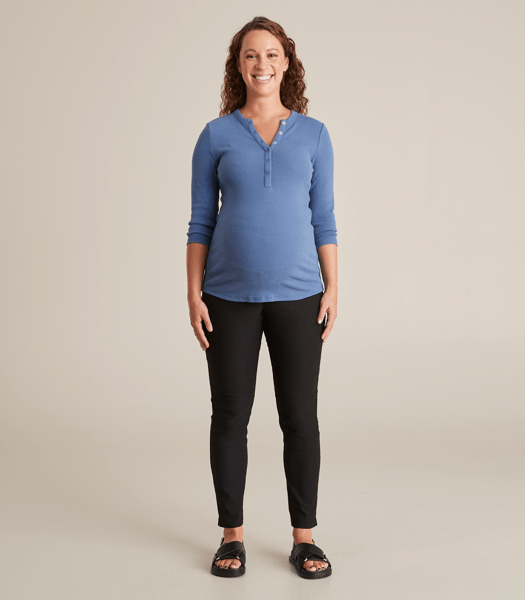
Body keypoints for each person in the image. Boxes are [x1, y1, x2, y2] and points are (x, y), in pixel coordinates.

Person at [186, 16, 337, 580]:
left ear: (286, 62)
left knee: (300, 418)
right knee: (230, 416)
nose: (262, 64)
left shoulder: (315, 134)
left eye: (271, 54)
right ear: (238, 66)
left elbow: (324, 218)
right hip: (227, 297)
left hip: (300, 296)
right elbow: (200, 221)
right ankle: (232, 535)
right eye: (250, 55)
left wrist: (334, 287)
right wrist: (193, 294)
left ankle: (305, 539)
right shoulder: (215, 135)